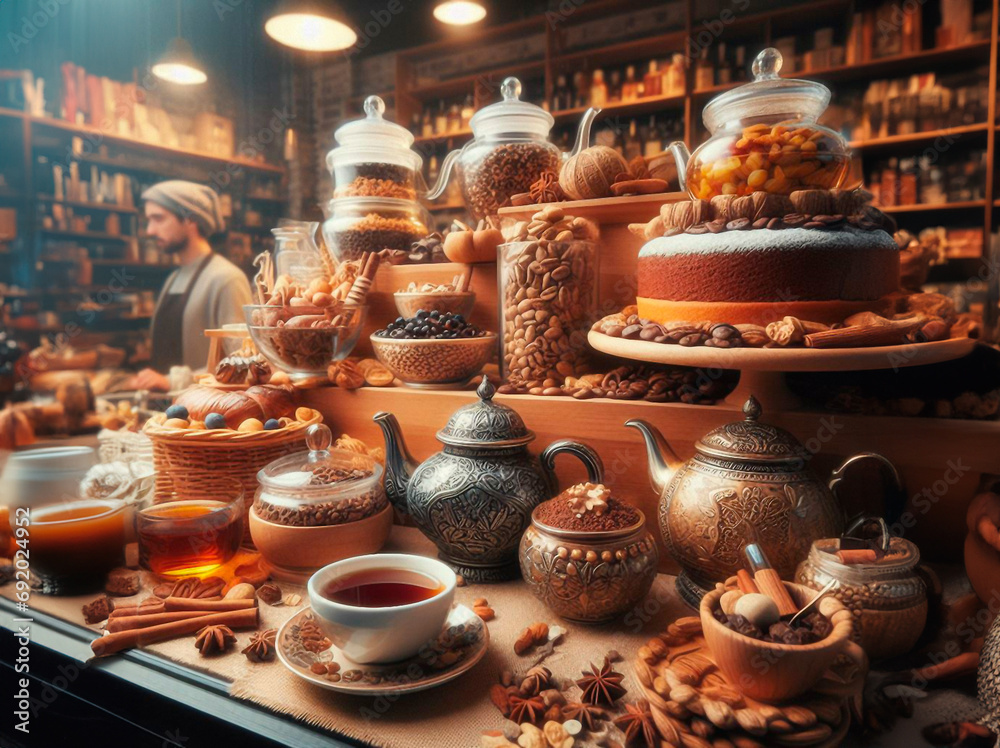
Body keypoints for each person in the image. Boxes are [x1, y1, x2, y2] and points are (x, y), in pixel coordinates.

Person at [131, 181, 253, 391]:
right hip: (167, 415)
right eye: (148, 220)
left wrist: (172, 382)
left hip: (208, 416)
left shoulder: (227, 279)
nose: (150, 230)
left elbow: (243, 361)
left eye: (158, 218)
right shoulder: (173, 279)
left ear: (189, 219)